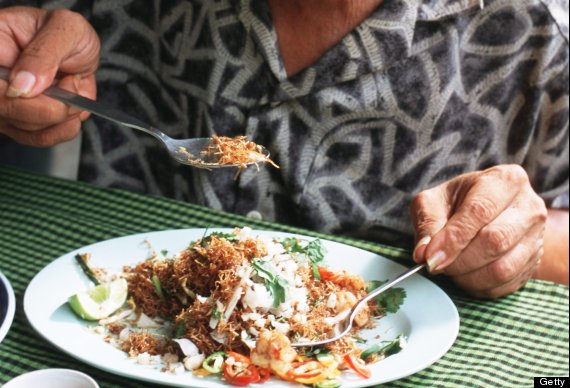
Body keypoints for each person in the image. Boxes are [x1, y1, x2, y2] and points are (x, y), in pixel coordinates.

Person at [0, 0, 568, 298]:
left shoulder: (534, 29)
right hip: (131, 319)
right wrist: (27, 62)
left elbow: (557, 228)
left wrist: (508, 239)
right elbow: (53, 49)